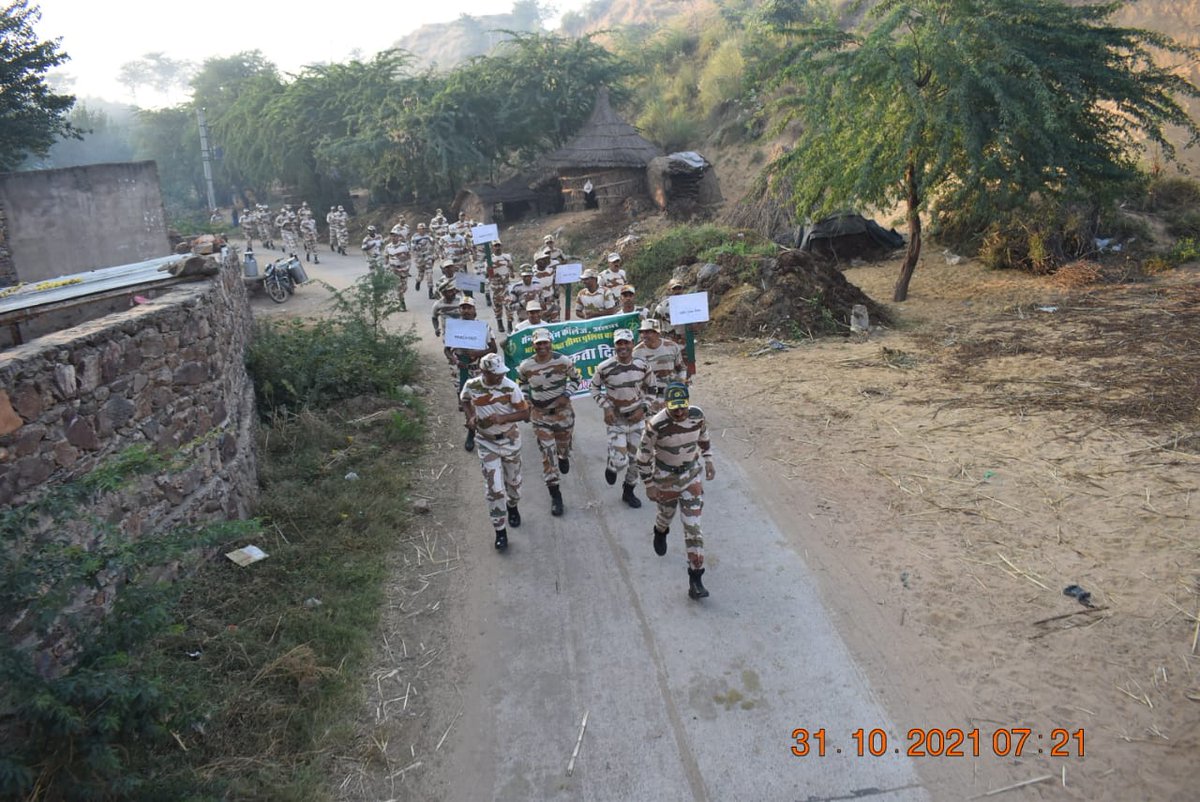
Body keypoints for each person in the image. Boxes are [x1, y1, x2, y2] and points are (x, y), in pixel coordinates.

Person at [636, 382, 716, 600]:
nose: (679, 412)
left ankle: (696, 578)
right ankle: (660, 531)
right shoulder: (656, 425)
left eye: (683, 407)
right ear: (666, 404)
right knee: (666, 515)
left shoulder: (697, 415)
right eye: (674, 408)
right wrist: (649, 485)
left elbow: (704, 439)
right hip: (665, 478)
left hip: (690, 476)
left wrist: (708, 460)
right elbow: (642, 457)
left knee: (694, 528)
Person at [460, 353, 529, 550]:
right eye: (495, 374)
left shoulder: (510, 387)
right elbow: (464, 400)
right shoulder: (472, 385)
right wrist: (471, 417)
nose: (500, 377)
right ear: (484, 372)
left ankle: (513, 506)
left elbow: (525, 413)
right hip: (486, 442)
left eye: (501, 373)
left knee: (513, 485)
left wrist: (503, 418)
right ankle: (500, 531)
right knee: (494, 489)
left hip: (509, 441)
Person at [517, 328, 580, 516]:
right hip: (540, 416)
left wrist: (567, 394)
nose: (542, 347)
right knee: (547, 454)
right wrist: (527, 402)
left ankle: (564, 455)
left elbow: (576, 379)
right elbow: (522, 384)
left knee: (563, 447)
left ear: (550, 343)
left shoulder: (563, 361)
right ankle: (555, 495)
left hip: (563, 414)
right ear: (533, 345)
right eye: (538, 344)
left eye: (545, 343)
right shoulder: (526, 366)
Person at [590, 328, 654, 508]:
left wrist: (643, 408)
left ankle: (628, 491)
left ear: (633, 344)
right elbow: (594, 388)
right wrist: (606, 407)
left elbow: (653, 389)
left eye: (626, 342)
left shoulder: (642, 366)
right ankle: (613, 463)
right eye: (619, 343)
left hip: (637, 420)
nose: (623, 346)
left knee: (638, 460)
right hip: (616, 420)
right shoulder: (605, 367)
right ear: (615, 345)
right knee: (621, 461)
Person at [448, 296, 497, 451]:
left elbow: (493, 349)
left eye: (469, 308)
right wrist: (456, 361)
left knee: (480, 400)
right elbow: (446, 350)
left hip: (478, 369)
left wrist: (478, 353)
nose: (466, 311)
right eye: (463, 307)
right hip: (460, 370)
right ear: (459, 310)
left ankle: (476, 431)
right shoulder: (453, 327)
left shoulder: (483, 327)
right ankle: (471, 428)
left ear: (475, 310)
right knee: (465, 401)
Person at [633, 318, 686, 414]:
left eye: (648, 332)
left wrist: (681, 384)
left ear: (658, 333)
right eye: (642, 332)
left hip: (671, 393)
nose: (644, 336)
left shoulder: (672, 347)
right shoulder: (636, 353)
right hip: (650, 396)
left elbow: (681, 368)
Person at [487, 238, 515, 332]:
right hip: (495, 287)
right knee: (497, 306)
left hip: (506, 286)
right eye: (495, 246)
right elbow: (486, 274)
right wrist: (489, 271)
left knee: (509, 305)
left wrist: (511, 273)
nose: (497, 247)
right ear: (492, 247)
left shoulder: (506, 257)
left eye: (499, 245)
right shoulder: (489, 259)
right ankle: (500, 324)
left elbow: (511, 267)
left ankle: (510, 325)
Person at [384, 224, 411, 310]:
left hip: (403, 269)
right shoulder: (388, 247)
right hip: (394, 269)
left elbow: (409, 256)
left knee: (404, 287)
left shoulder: (404, 246)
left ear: (398, 237)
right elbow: (386, 257)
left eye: (395, 236)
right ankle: (401, 303)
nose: (393, 238)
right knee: (398, 286)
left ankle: (400, 297)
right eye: (391, 236)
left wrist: (404, 259)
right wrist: (386, 267)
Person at [411, 222, 435, 295]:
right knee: (421, 275)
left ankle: (430, 291)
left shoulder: (428, 236)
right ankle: (418, 281)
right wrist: (419, 246)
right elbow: (413, 247)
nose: (423, 230)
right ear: (418, 230)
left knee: (429, 273)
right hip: (419, 258)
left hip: (428, 257)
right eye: (421, 229)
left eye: (424, 229)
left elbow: (433, 244)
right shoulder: (415, 237)